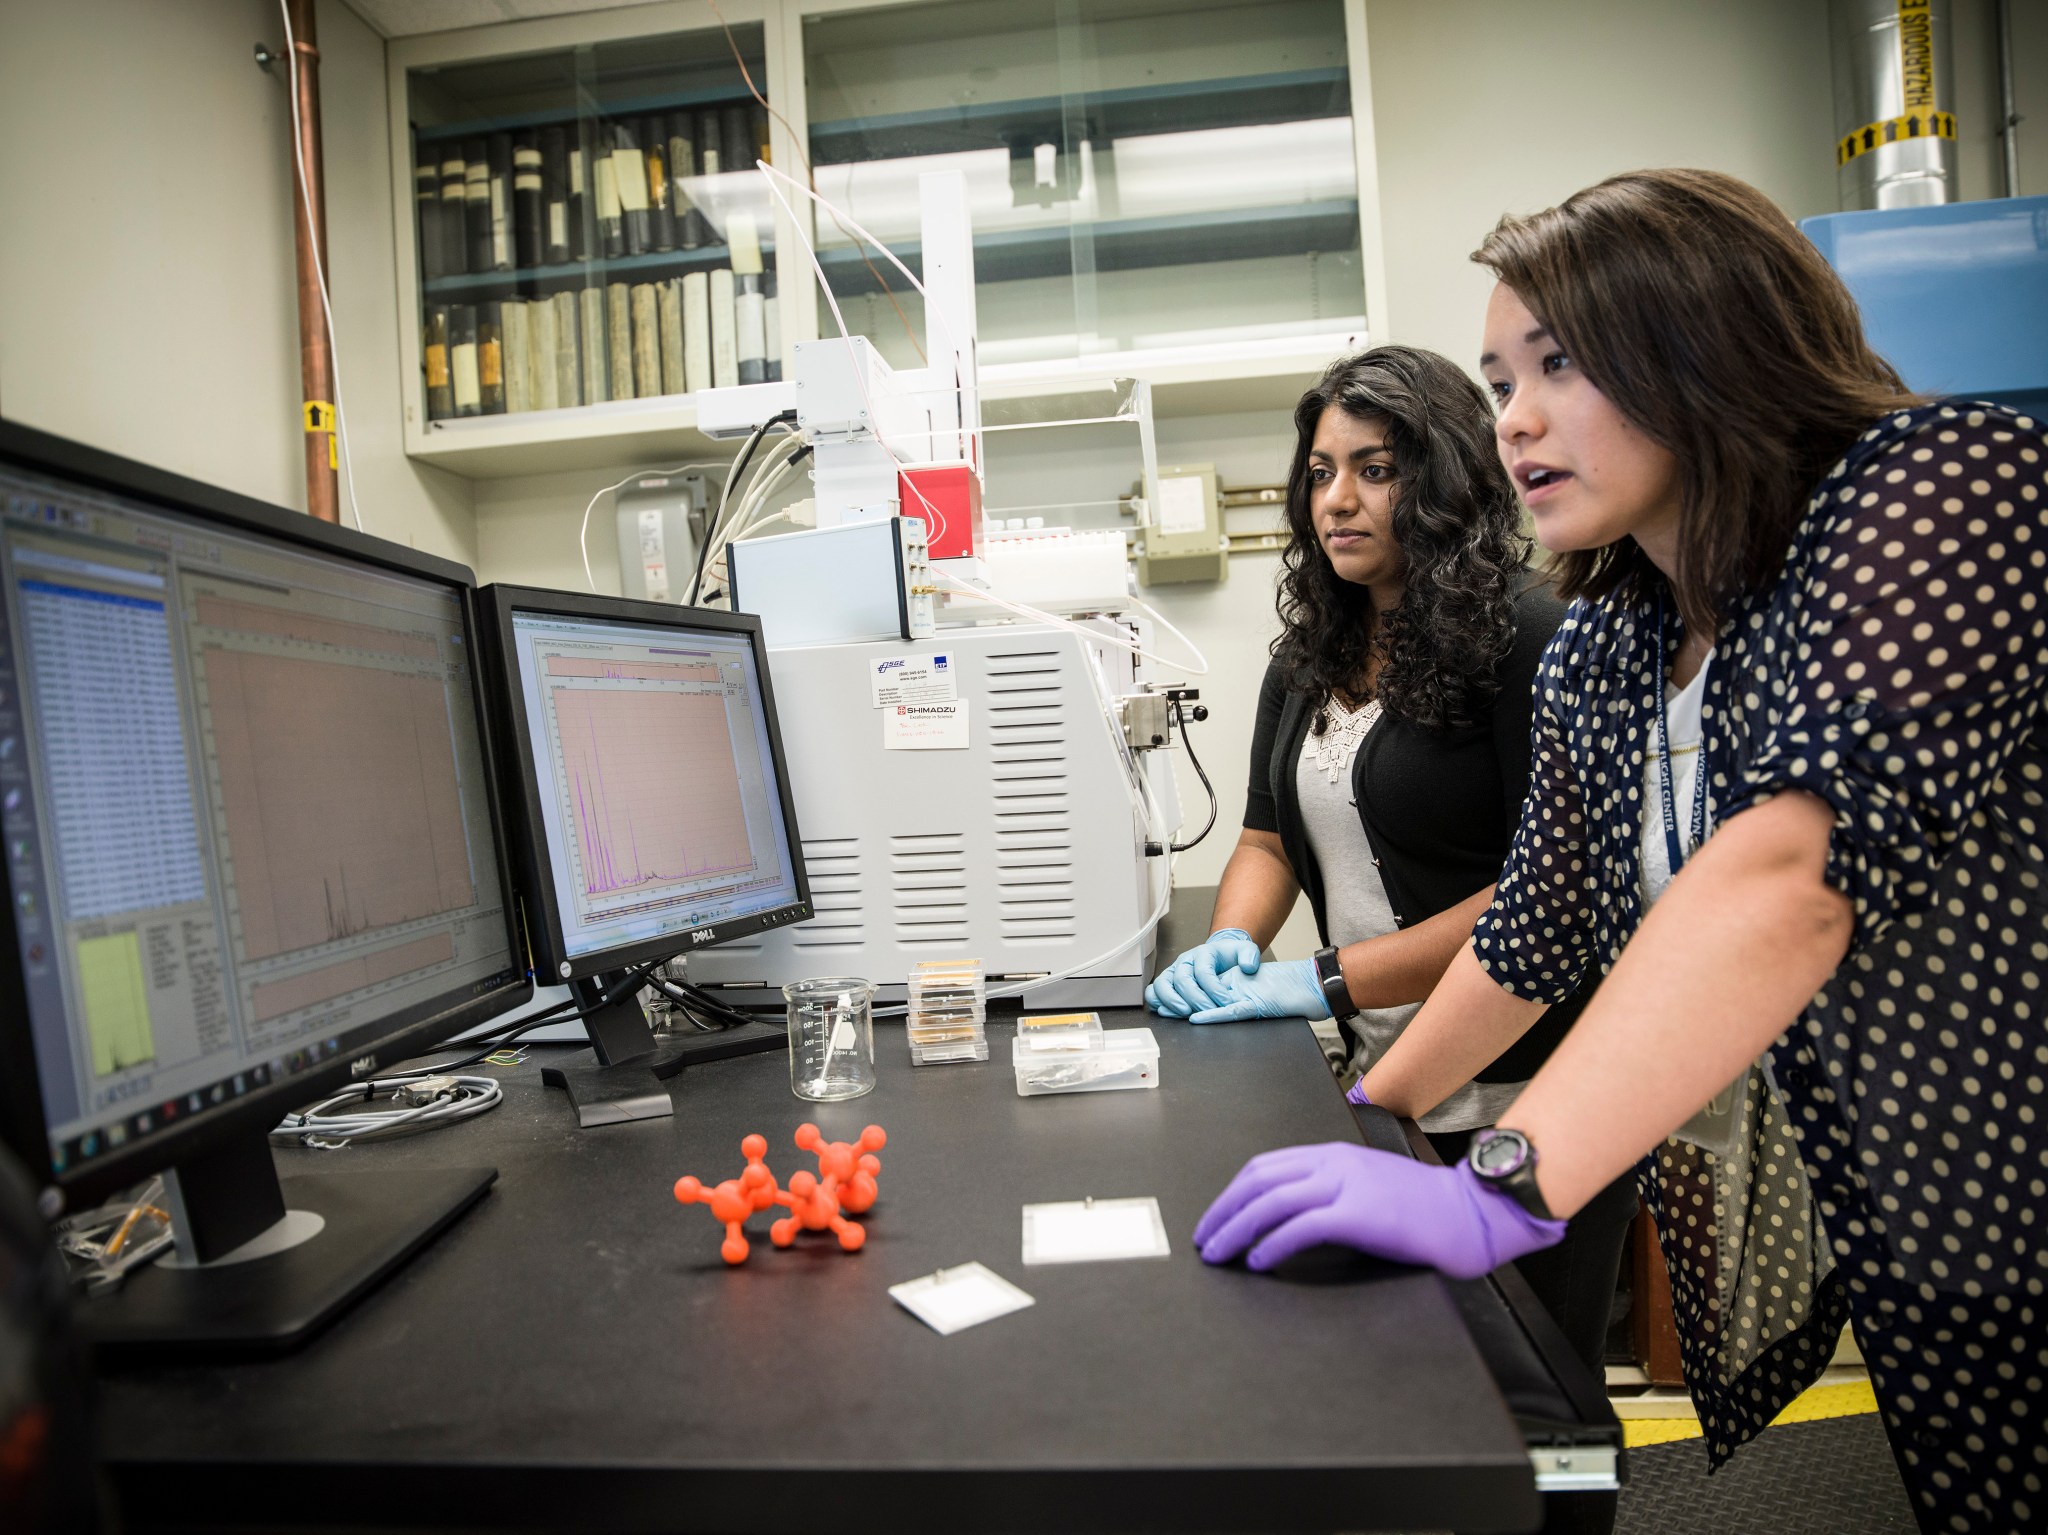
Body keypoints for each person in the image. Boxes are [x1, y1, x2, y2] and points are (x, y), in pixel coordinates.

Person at [1193, 168, 2048, 1535]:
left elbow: (1789, 874)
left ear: (1712, 344)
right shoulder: (1612, 644)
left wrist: (1499, 1185)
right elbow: (1535, 932)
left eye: (1561, 363)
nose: (1516, 417)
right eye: (1499, 376)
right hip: (1920, 1226)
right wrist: (1372, 1127)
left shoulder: (1945, 487)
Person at [1145, 346, 1637, 1390]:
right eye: (1319, 472)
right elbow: (1268, 836)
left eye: (1373, 469)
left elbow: (1539, 893)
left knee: (1536, 1399)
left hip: (1527, 1084)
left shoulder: (1528, 633)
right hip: (1387, 1081)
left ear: (1443, 475)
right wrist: (1235, 941)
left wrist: (1321, 978)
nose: (1337, 500)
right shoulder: (1307, 653)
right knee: (1418, 1386)